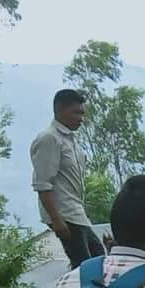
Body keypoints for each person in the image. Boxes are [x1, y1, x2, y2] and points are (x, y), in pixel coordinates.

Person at [31, 88, 100, 268]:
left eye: (83, 113)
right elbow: (42, 184)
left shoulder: (71, 139)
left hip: (76, 210)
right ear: (59, 110)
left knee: (98, 256)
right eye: (76, 113)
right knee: (85, 266)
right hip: (64, 214)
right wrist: (56, 219)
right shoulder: (49, 139)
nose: (81, 118)